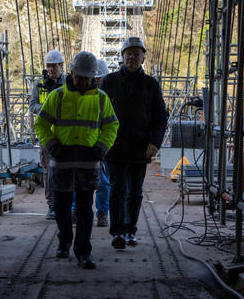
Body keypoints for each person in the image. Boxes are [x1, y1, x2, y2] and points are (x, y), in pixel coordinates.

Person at [34, 51, 119, 269]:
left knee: (84, 210)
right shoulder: (58, 96)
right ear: (72, 73)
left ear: (93, 78)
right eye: (80, 77)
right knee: (62, 209)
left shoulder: (101, 98)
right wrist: (52, 145)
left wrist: (101, 148)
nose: (83, 82)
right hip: (62, 162)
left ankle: (83, 251)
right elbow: (41, 124)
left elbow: (111, 125)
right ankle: (64, 242)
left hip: (87, 163)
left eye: (87, 79)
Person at [100, 36, 167, 249]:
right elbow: (98, 113)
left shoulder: (151, 84)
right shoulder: (109, 82)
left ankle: (130, 230)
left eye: (136, 54)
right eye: (128, 53)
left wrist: (155, 142)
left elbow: (160, 116)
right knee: (117, 189)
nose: (132, 57)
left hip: (140, 147)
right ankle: (117, 232)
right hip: (115, 147)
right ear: (122, 57)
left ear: (143, 58)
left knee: (135, 192)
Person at [29, 50, 65, 219]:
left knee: (65, 170)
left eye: (54, 66)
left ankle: (65, 204)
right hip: (46, 134)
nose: (51, 70)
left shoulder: (68, 84)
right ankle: (51, 205)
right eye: (48, 66)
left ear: (61, 66)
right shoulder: (39, 85)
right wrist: (46, 111)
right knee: (48, 170)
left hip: (64, 133)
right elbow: (33, 105)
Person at [94, 59, 111, 227]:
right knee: (79, 182)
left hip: (103, 146)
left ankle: (102, 213)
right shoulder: (85, 95)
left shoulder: (108, 96)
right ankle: (75, 210)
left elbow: (112, 123)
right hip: (87, 144)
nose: (98, 81)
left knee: (104, 182)